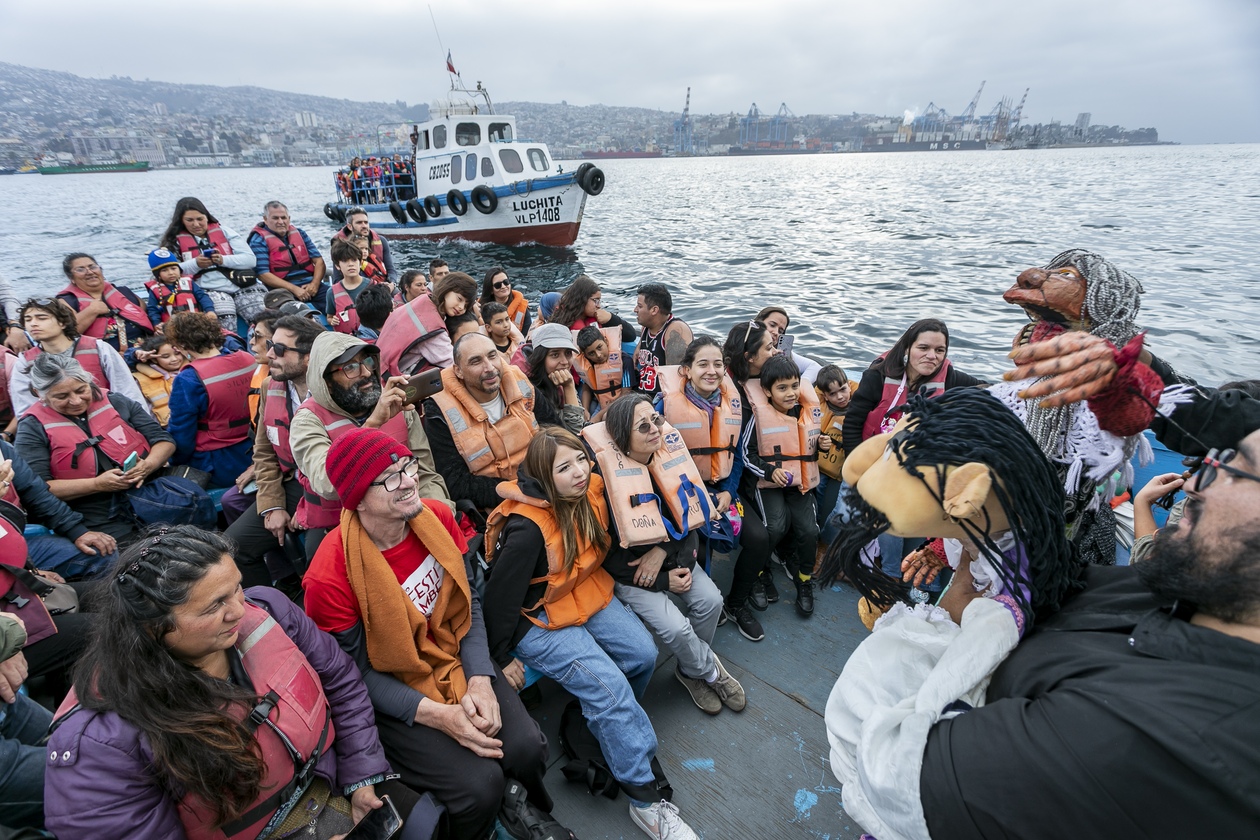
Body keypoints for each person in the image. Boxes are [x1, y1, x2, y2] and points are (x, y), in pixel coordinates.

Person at [831, 417, 1260, 837]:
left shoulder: (1149, 739)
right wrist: (966, 547)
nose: (1192, 486)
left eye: (1236, 470)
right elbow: (1059, 580)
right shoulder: (1179, 591)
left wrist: (960, 590)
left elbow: (884, 767)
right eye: (1211, 461)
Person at [45, 526, 444, 840]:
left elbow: (341, 680)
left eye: (235, 586)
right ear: (153, 628)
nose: (240, 610)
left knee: (439, 817)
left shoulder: (267, 608)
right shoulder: (98, 745)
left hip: (334, 781)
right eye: (215, 605)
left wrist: (362, 776)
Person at [303, 429, 554, 840]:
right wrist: (442, 717)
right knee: (478, 785)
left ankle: (522, 808)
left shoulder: (436, 518)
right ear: (358, 499)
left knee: (526, 748)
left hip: (455, 656)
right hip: (396, 688)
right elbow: (357, 676)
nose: (408, 480)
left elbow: (467, 603)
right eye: (389, 477)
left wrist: (479, 679)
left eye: (407, 466)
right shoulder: (329, 577)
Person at [483, 427, 702, 840]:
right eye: (563, 468)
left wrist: (658, 577)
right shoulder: (528, 529)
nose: (580, 472)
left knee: (642, 655)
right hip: (537, 619)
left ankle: (608, 725)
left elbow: (610, 554)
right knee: (612, 690)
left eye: (581, 460)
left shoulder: (595, 492)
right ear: (546, 478)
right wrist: (501, 656)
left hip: (584, 591)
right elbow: (498, 600)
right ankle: (645, 801)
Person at [586, 394, 746, 718]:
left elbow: (691, 520)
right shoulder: (603, 487)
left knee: (712, 602)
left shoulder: (672, 461)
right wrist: (661, 579)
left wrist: (665, 552)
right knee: (676, 629)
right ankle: (711, 672)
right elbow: (605, 557)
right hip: (633, 574)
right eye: (642, 426)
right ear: (621, 439)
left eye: (655, 420)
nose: (654, 429)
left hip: (675, 558)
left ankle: (689, 671)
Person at [842, 318, 980, 589]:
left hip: (913, 469)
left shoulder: (950, 379)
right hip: (871, 463)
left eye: (940, 350)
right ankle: (887, 572)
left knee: (925, 512)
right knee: (849, 513)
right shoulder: (878, 375)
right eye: (924, 348)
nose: (932, 356)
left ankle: (908, 580)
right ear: (908, 348)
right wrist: (856, 471)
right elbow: (853, 422)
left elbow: (988, 392)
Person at [291, 332, 450, 562]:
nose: (366, 373)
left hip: (409, 518)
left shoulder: (396, 403)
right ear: (326, 382)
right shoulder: (307, 420)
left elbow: (425, 472)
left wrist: (440, 517)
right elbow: (327, 483)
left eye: (367, 362)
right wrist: (374, 424)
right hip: (345, 530)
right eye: (350, 368)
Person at [656, 336, 763, 641]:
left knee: (759, 539)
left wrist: (729, 492)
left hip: (723, 488)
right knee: (700, 547)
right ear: (686, 370)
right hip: (684, 491)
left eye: (718, 364)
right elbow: (658, 462)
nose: (711, 371)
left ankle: (736, 603)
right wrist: (699, 498)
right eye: (702, 364)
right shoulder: (665, 406)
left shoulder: (733, 405)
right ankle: (706, 602)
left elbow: (737, 456)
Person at [15, 354, 176, 543]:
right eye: (62, 396)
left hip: (147, 491)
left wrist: (148, 465)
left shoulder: (115, 401)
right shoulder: (32, 427)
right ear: (39, 393)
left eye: (82, 390)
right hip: (92, 513)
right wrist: (96, 484)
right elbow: (38, 488)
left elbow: (164, 441)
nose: (76, 401)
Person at [224, 314, 325, 588]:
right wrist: (273, 505)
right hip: (293, 483)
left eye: (279, 349)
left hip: (328, 490)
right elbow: (265, 450)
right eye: (270, 344)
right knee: (233, 548)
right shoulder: (271, 387)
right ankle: (272, 612)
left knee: (321, 561)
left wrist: (307, 510)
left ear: (308, 357)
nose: (269, 354)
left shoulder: (335, 391)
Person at [738, 354, 826, 618]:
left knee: (809, 531)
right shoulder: (759, 416)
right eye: (782, 388)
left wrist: (822, 445)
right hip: (769, 484)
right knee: (773, 527)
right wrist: (770, 471)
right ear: (767, 391)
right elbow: (746, 454)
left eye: (795, 386)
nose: (791, 393)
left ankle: (804, 579)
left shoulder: (805, 412)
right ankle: (761, 572)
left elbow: (808, 449)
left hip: (800, 484)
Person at [424, 333, 540, 512]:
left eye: (493, 356)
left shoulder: (518, 379)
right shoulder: (439, 409)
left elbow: (554, 428)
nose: (490, 367)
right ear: (458, 371)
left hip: (542, 482)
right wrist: (520, 493)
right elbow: (455, 482)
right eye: (476, 361)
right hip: (497, 506)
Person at [722, 320, 786, 615]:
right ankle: (754, 580)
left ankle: (753, 581)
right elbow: (738, 453)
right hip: (734, 477)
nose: (776, 351)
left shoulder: (766, 380)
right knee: (763, 531)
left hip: (755, 471)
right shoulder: (730, 393)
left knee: (774, 530)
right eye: (769, 347)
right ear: (748, 357)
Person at [7, 297, 148, 419]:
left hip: (109, 419)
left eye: (42, 318)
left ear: (62, 322)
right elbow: (25, 410)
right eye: (28, 320)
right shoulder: (24, 362)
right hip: (62, 431)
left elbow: (127, 391)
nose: (33, 324)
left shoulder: (99, 348)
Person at [1, 438, 118, 580]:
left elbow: (34, 491)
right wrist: (32, 573)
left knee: (101, 552)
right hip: (6, 559)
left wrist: (76, 531)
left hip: (13, 541)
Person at [164, 312, 257, 489]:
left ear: (182, 345)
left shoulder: (188, 378)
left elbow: (182, 434)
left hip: (217, 463)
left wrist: (174, 462)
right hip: (257, 450)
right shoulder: (248, 359)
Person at [158, 196, 265, 334]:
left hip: (241, 282)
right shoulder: (173, 242)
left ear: (207, 217)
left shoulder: (225, 231)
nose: (196, 224)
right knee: (225, 327)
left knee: (263, 320)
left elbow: (250, 260)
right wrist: (196, 263)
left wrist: (222, 260)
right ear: (181, 221)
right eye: (189, 220)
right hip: (208, 289)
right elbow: (169, 273)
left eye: (200, 219)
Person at [0, 611, 55, 833]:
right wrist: (6, 640)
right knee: (107, 779)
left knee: (91, 745)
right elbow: (11, 626)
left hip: (7, 704)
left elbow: (11, 622)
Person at [376, 272, 477, 376]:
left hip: (379, 364)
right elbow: (452, 362)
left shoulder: (423, 300)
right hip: (389, 377)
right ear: (447, 289)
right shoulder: (433, 329)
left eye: (465, 306)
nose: (461, 307)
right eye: (459, 299)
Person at [56, 253, 154, 353]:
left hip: (144, 354)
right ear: (71, 278)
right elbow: (65, 336)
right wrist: (92, 311)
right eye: (81, 269)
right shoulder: (66, 302)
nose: (89, 272)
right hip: (101, 361)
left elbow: (151, 317)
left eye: (93, 267)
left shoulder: (124, 293)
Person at [248, 201, 328, 314]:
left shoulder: (300, 233)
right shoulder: (258, 240)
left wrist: (314, 284)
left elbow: (319, 261)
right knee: (292, 313)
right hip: (281, 289)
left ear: (289, 218)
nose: (280, 222)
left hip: (310, 284)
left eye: (283, 218)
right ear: (265, 219)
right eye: (275, 218)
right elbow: (262, 274)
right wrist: (294, 289)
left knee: (338, 300)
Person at [814, 363, 857, 535]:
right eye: (833, 394)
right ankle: (814, 528)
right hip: (818, 464)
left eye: (843, 389)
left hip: (841, 467)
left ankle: (824, 538)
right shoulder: (818, 400)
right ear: (824, 396)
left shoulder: (859, 404)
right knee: (816, 495)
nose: (840, 397)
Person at [633, 283, 693, 400]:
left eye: (639, 306)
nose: (635, 310)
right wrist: (639, 346)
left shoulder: (675, 331)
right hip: (642, 395)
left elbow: (677, 381)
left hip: (661, 400)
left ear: (654, 310)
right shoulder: (646, 327)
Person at [523, 324, 585, 434]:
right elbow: (574, 433)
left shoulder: (560, 377)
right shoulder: (530, 391)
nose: (565, 361)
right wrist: (569, 387)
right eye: (555, 355)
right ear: (540, 358)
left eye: (568, 353)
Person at [550, 275, 637, 344]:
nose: (599, 306)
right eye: (595, 301)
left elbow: (631, 336)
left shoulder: (599, 319)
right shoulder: (561, 323)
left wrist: (611, 318)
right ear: (581, 299)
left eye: (599, 301)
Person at [142, 248, 215, 329]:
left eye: (173, 268)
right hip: (171, 328)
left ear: (179, 269)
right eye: (164, 270)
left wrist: (210, 311)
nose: (171, 273)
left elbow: (202, 297)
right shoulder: (155, 289)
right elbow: (153, 309)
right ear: (157, 274)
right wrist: (156, 324)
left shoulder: (189, 282)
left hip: (195, 323)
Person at [575, 323, 630, 419]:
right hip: (599, 400)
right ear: (585, 355)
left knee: (604, 417)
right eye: (591, 353)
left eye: (599, 347)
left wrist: (599, 415)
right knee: (585, 417)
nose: (598, 355)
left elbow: (626, 394)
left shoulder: (624, 360)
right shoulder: (587, 365)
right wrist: (585, 410)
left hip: (621, 402)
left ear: (606, 341)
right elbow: (586, 390)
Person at [755, 305, 822, 385]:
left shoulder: (781, 354)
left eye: (780, 331)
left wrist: (799, 386)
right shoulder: (743, 344)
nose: (776, 332)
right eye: (772, 325)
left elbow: (815, 367)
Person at [330, 206, 397, 284]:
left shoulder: (381, 241)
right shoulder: (340, 245)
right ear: (349, 226)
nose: (364, 225)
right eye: (359, 223)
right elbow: (337, 279)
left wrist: (392, 283)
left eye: (366, 222)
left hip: (381, 284)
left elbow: (391, 270)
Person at [130, 333, 186, 425]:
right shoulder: (141, 380)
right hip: (163, 428)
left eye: (177, 353)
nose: (174, 359)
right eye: (166, 356)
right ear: (154, 359)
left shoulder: (191, 372)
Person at [327, 237, 375, 336]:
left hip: (370, 340)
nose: (350, 264)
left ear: (360, 262)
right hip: (346, 341)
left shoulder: (374, 287)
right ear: (337, 266)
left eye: (354, 260)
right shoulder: (332, 292)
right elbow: (329, 317)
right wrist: (332, 321)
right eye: (344, 261)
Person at [479, 266, 530, 335]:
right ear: (491, 290)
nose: (503, 286)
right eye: (497, 285)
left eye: (506, 282)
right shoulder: (479, 309)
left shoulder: (522, 308)